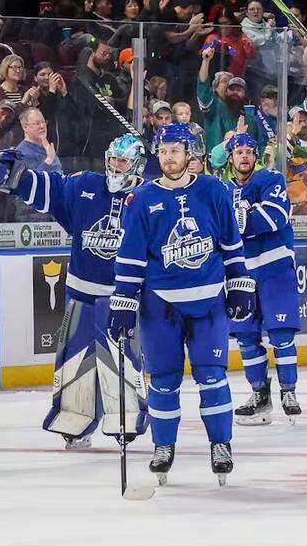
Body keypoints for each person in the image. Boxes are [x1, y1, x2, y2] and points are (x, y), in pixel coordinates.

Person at [108, 123, 255, 487]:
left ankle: (221, 444)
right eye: (163, 151)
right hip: (161, 306)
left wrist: (239, 284)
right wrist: (123, 302)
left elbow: (231, 245)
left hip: (207, 304)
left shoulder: (214, 191)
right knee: (164, 380)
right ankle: (163, 447)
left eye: (175, 150)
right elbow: (131, 257)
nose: (168, 157)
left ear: (191, 155)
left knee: (212, 377)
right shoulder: (141, 199)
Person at [0, 135, 150, 450]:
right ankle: (77, 418)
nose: (115, 166)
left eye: (122, 161)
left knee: (120, 360)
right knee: (75, 359)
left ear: (136, 165)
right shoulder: (86, 185)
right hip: (80, 291)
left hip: (122, 298)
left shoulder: (146, 198)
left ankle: (124, 416)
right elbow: (52, 190)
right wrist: (17, 176)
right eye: (112, 159)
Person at [222, 133, 301, 426]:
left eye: (248, 151)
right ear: (230, 158)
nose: (244, 156)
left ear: (256, 156)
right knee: (245, 336)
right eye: (238, 152)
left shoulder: (271, 179)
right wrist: (239, 218)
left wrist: (239, 221)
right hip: (240, 272)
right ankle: (259, 395)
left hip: (274, 266)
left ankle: (288, 392)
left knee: (281, 334)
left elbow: (274, 218)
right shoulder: (222, 190)